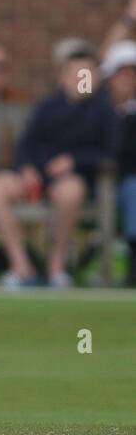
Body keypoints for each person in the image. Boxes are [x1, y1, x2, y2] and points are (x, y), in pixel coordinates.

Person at [0, 42, 113, 288]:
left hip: (73, 181)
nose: (82, 79)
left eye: (87, 74)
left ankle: (56, 266)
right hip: (36, 177)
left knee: (71, 192)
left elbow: (109, 154)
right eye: (76, 74)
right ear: (63, 77)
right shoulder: (48, 107)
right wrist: (27, 169)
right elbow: (25, 145)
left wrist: (73, 161)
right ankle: (21, 267)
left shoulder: (104, 111)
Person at [101, 40, 136, 286]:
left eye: (132, 73)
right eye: (121, 72)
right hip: (96, 181)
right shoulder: (97, 110)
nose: (127, 78)